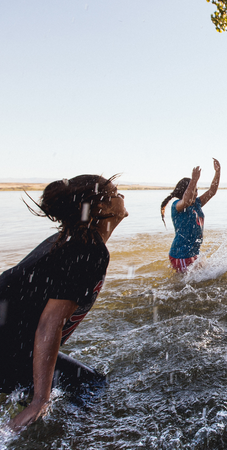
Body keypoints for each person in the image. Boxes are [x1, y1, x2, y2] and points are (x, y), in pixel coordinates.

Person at [0, 174, 128, 431]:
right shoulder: (88, 250)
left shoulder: (70, 241)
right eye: (115, 192)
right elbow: (49, 324)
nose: (122, 196)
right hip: (7, 351)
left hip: (11, 346)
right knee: (91, 385)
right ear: (101, 207)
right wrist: (40, 400)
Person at [160, 159, 221, 272]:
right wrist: (194, 180)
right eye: (193, 190)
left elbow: (212, 191)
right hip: (181, 255)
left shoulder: (197, 203)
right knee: (185, 284)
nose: (196, 193)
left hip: (194, 253)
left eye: (196, 190)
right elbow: (186, 201)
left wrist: (217, 172)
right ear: (184, 192)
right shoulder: (177, 206)